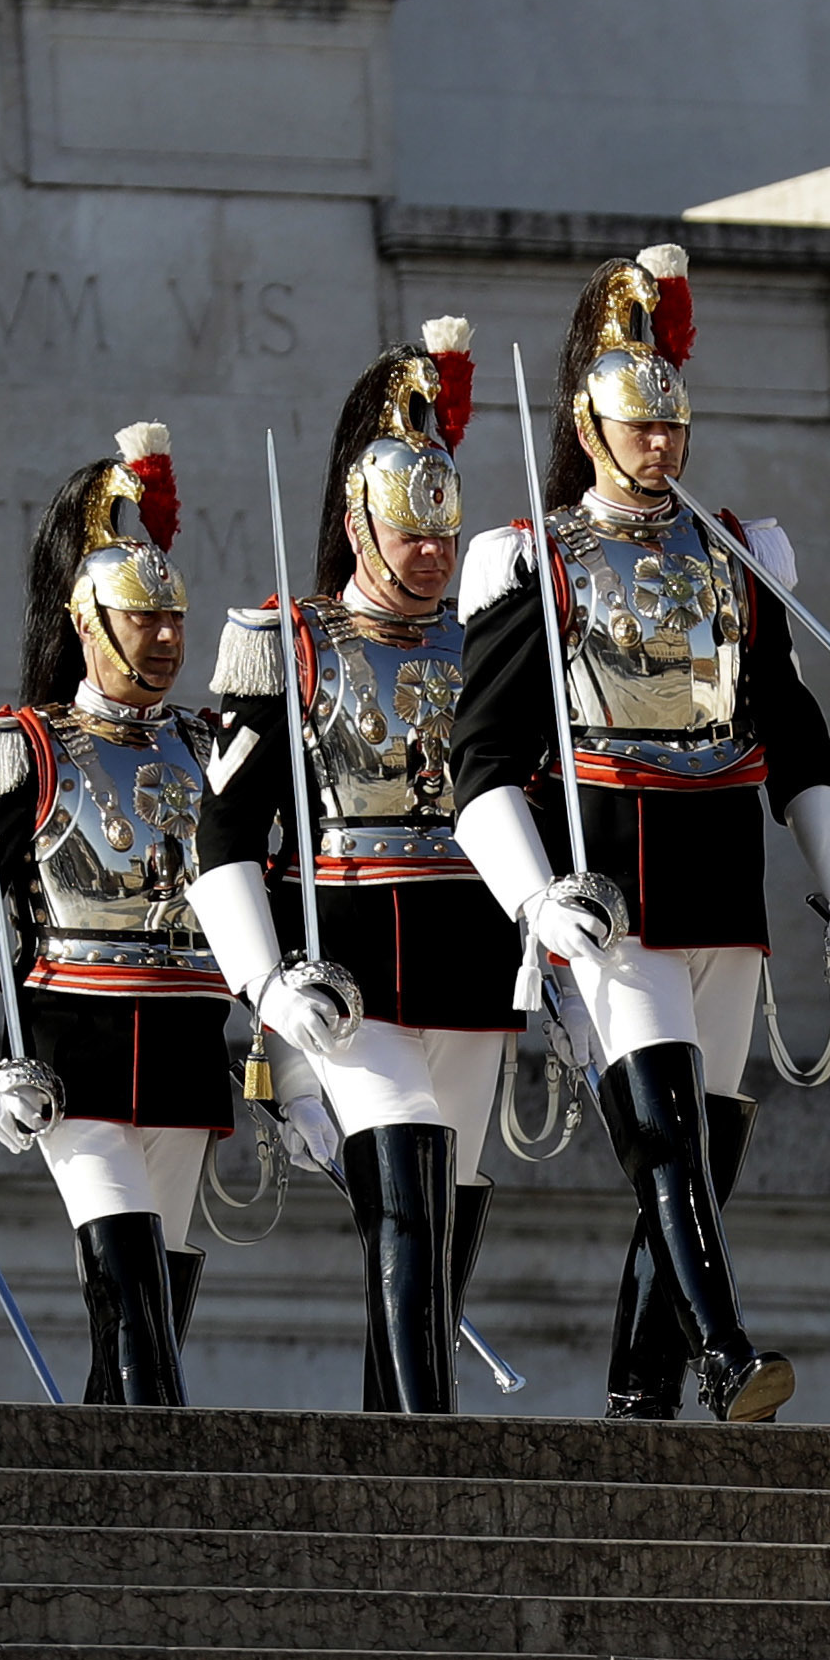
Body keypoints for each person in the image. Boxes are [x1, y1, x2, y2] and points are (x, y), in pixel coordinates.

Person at [449, 245, 830, 1424]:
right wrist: (534, 899)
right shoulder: (535, 558)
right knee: (665, 1133)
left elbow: (790, 731)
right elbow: (479, 766)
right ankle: (725, 1352)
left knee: (699, 1167)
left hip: (722, 884)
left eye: (672, 429)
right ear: (588, 427)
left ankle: (639, 1401)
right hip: (611, 893)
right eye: (638, 429)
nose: (660, 449)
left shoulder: (736, 555)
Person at [208, 326, 527, 1411]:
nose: (433, 554)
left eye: (444, 532)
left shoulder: (486, 644)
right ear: (358, 523)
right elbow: (220, 836)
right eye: (410, 531)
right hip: (348, 963)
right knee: (408, 1170)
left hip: (475, 962)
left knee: (446, 1220)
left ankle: (385, 1439)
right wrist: (264, 978)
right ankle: (429, 1449)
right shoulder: (287, 644)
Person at [0, 423, 237, 1406]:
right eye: (142, 619)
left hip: (183, 1044)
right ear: (87, 621)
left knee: (146, 1311)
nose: (166, 638)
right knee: (129, 1285)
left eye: (174, 619)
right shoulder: (23, 751)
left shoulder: (209, 746)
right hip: (74, 1056)